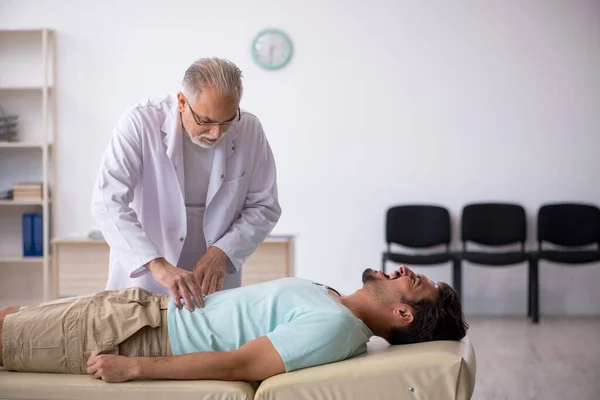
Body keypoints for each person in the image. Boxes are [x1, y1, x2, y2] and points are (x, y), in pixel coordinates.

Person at [0, 265, 468, 383]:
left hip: (135, 335)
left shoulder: (334, 327)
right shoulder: (332, 303)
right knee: (9, 317)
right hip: (137, 308)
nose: (405, 271)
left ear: (403, 314)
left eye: (416, 282)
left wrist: (135, 368)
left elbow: (240, 365)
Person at [91, 57, 281, 311]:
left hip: (214, 284)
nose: (216, 133)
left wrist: (222, 253)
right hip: (146, 278)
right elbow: (108, 202)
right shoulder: (140, 122)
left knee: (208, 349)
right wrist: (158, 265)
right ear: (182, 102)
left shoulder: (249, 128)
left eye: (226, 121)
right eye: (206, 121)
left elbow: (264, 206)